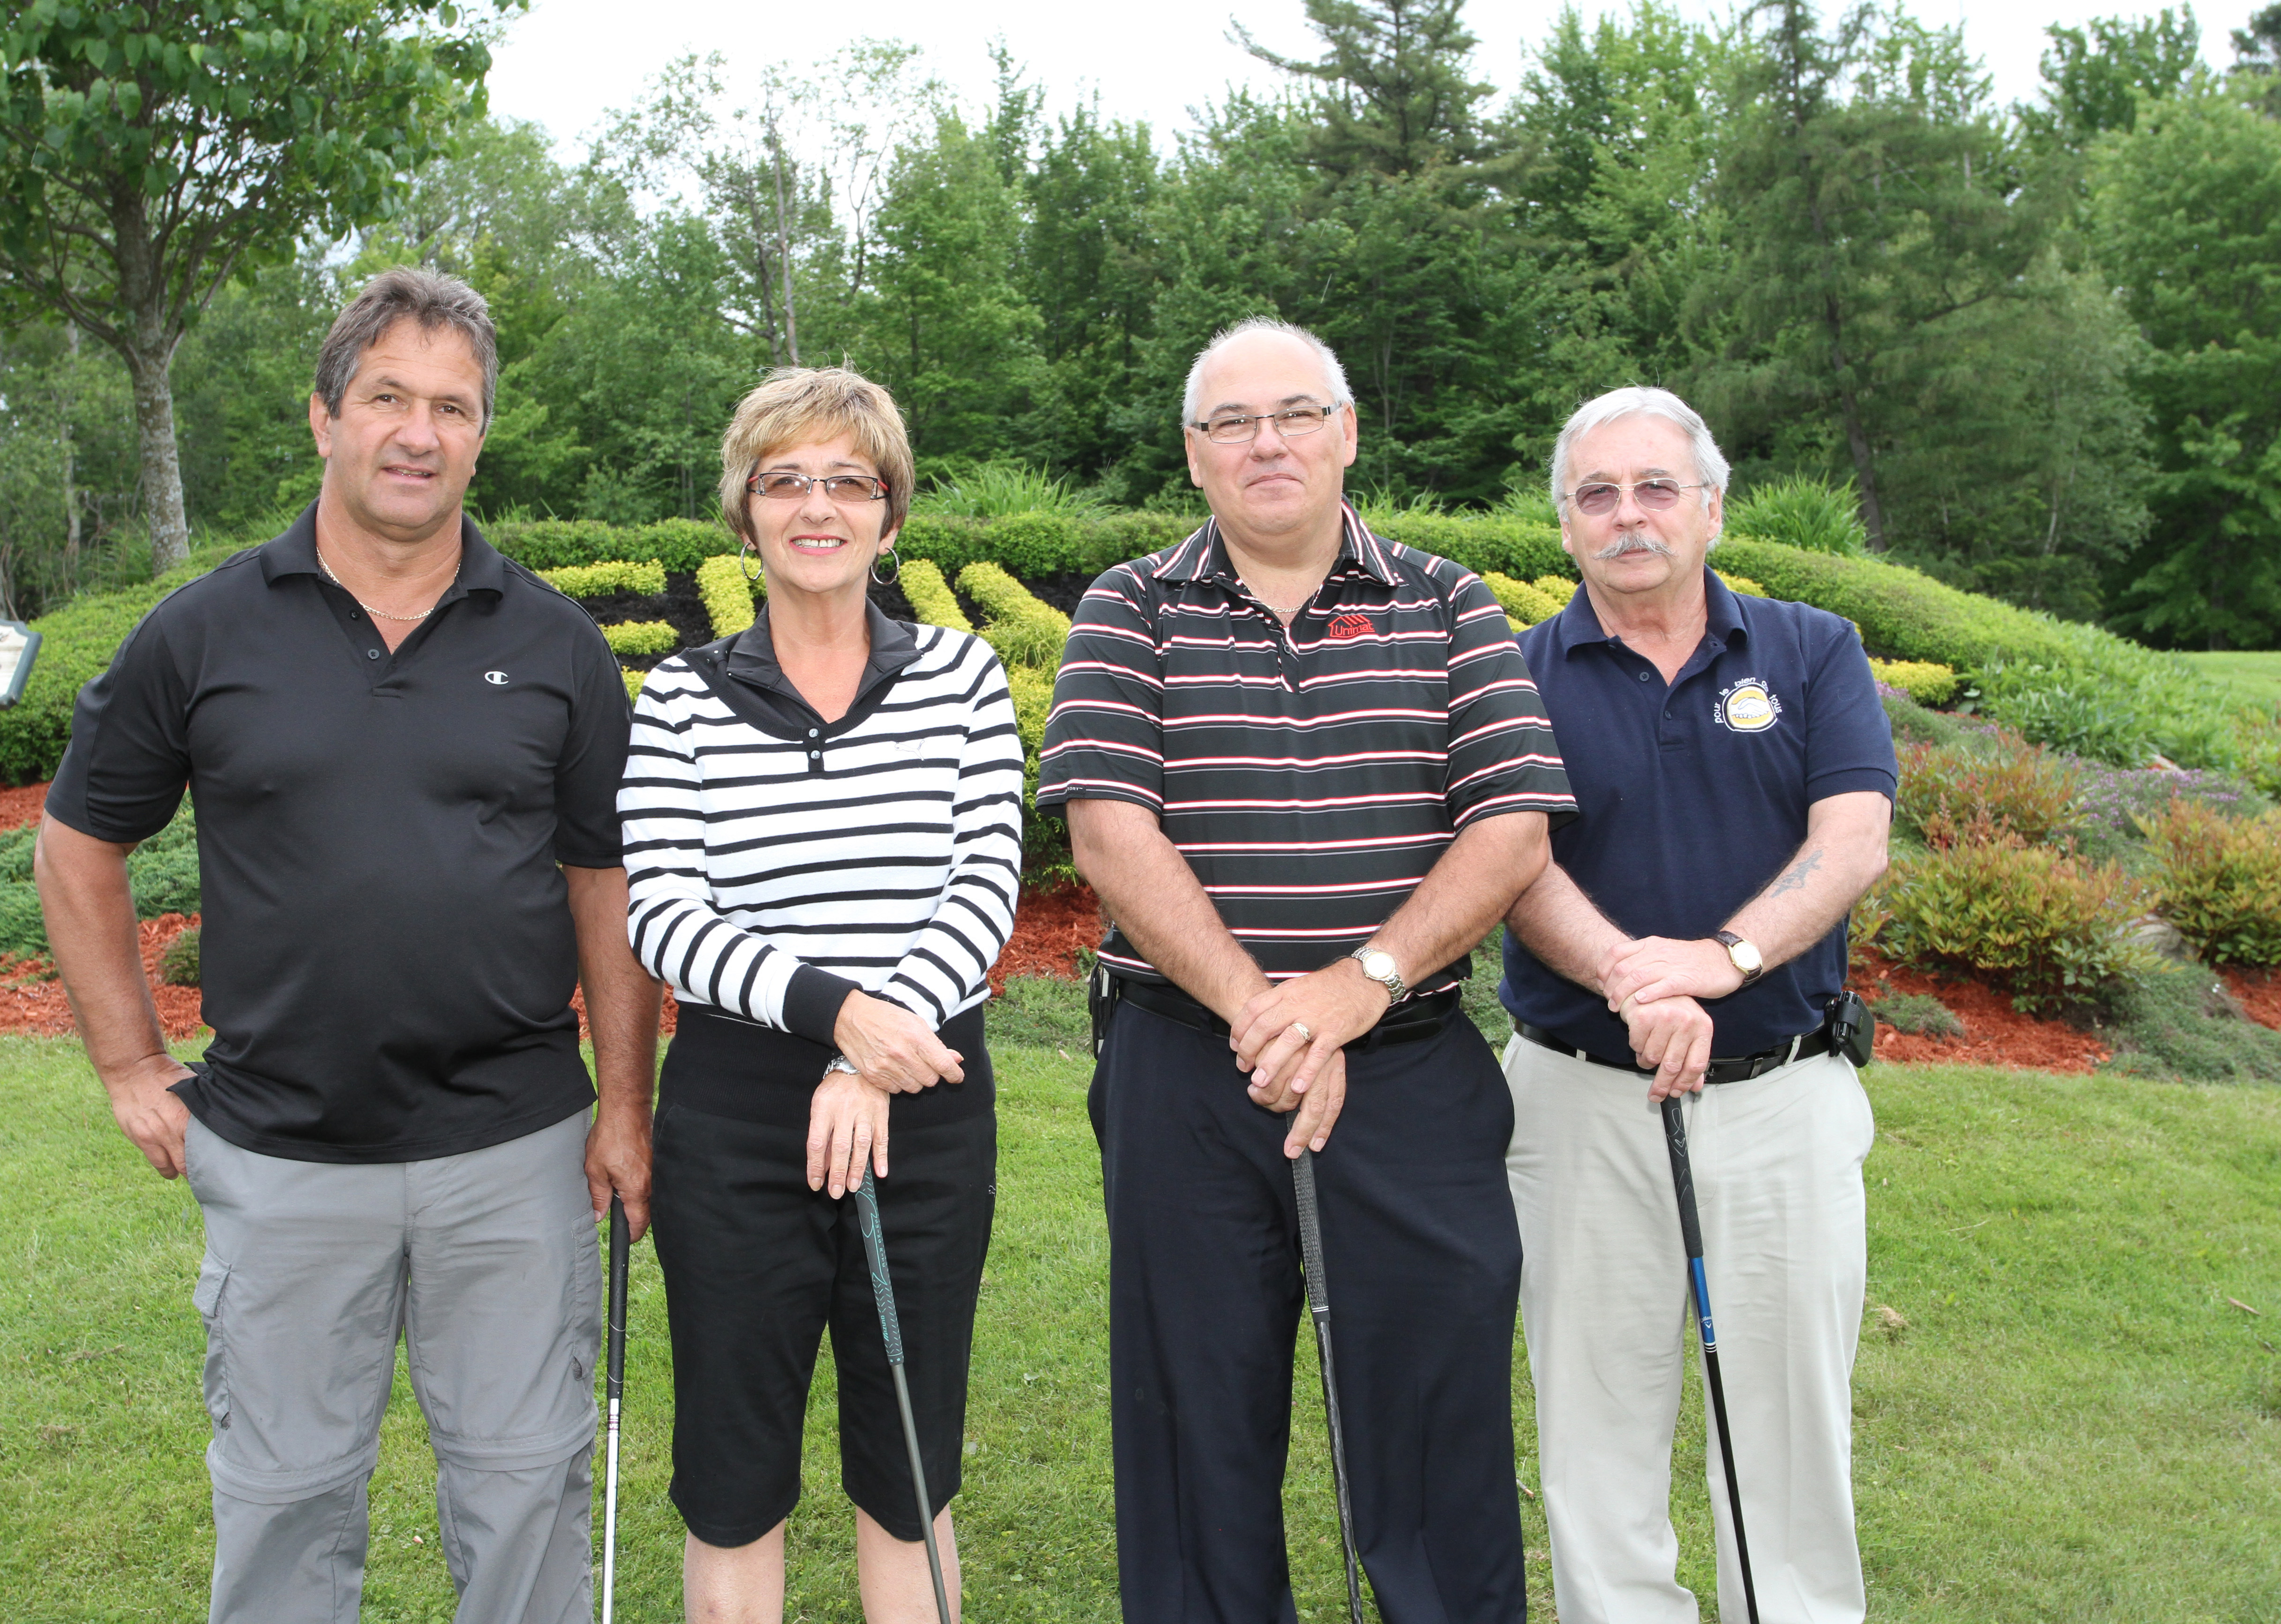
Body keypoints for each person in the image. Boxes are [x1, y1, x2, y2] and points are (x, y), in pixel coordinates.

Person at [34, 266, 656, 1624]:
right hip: (279, 1159)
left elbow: (607, 885)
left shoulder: (557, 645)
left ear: (482, 434)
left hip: (514, 1153)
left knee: (524, 1493)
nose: (418, 432)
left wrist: (625, 1109)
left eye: (452, 406)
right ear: (324, 417)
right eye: (387, 397)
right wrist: (133, 1067)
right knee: (284, 1504)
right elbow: (79, 846)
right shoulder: (201, 632)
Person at [1038, 316, 1578, 1621]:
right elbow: (1110, 828)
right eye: (1231, 422)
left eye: (1294, 414)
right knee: (1195, 1426)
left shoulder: (1450, 602)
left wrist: (1358, 986)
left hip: (1407, 1071)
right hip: (1189, 1069)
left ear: (1347, 433)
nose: (1264, 442)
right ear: (1193, 455)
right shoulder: (1129, 605)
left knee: (1438, 1426)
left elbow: (1511, 825)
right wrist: (1266, 1014)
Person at [618, 366, 1022, 1621]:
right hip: (738, 1113)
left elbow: (985, 889)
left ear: (889, 515)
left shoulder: (963, 678)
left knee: (910, 1462)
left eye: (849, 482)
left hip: (924, 1101)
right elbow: (665, 917)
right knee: (736, 1469)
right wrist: (837, 1021)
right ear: (745, 514)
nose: (817, 507)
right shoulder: (685, 697)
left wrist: (870, 1058)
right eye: (784, 480)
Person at [1498, 386, 1896, 1624]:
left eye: (1656, 487)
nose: (1630, 517)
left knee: (1787, 1427)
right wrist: (1633, 975)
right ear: (1564, 526)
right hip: (1580, 1105)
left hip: (1785, 1099)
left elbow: (1853, 840)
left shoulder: (1812, 650)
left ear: (1710, 507)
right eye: (1598, 496)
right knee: (1596, 1424)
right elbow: (1509, 865)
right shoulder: (1516, 675)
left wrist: (1719, 960)